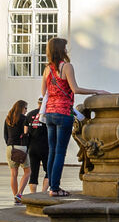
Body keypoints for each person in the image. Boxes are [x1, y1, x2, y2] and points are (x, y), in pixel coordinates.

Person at [41, 36, 104, 197]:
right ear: (61, 50)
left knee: (52, 151)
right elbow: (75, 89)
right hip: (63, 113)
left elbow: (44, 93)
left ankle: (51, 186)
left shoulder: (47, 69)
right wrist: (96, 91)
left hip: (49, 113)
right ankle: (55, 188)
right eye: (65, 48)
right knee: (60, 152)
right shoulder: (66, 67)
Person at [4, 100, 32, 202]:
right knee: (28, 171)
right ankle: (19, 194)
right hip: (21, 147)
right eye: (25, 108)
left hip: (10, 148)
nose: (26, 110)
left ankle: (15, 195)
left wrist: (9, 144)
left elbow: (5, 135)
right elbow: (26, 133)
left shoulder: (8, 119)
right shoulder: (24, 119)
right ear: (21, 108)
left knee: (13, 173)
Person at [24, 106, 48, 197]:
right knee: (49, 171)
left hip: (32, 147)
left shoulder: (30, 114)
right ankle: (43, 193)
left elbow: (25, 132)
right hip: (46, 147)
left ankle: (33, 195)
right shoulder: (47, 114)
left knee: (33, 173)